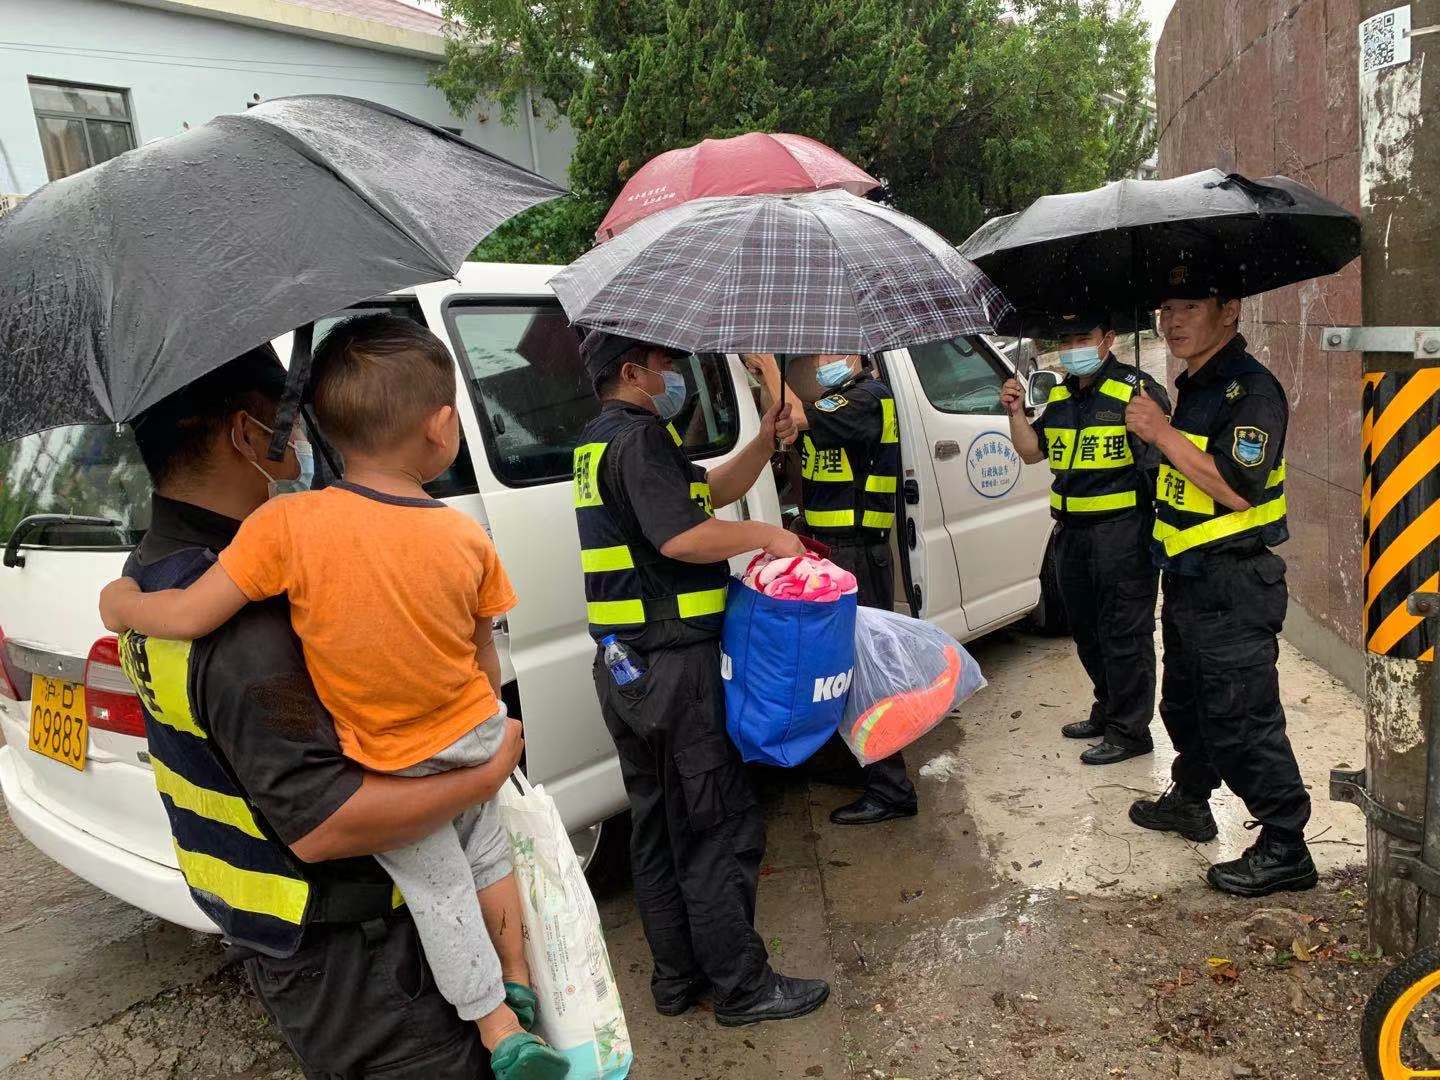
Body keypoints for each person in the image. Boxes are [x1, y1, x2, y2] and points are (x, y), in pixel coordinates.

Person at [102, 316, 566, 1079]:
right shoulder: (251, 624)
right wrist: (485, 773)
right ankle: (502, 1007)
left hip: (276, 930)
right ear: (249, 435)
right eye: (289, 419)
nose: (303, 436)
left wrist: (116, 603)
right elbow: (327, 824)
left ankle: (502, 1003)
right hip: (362, 967)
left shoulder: (154, 569)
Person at [573, 330, 831, 1027]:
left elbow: (708, 492)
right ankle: (743, 989)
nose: (674, 373)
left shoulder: (601, 441)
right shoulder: (639, 441)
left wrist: (764, 441)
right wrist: (768, 536)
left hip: (627, 669)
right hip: (673, 668)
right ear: (632, 372)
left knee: (658, 826)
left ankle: (677, 979)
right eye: (663, 364)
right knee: (716, 826)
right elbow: (681, 537)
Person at [1123, 267, 1315, 898]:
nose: (1171, 321)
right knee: (1185, 704)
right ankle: (1192, 799)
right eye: (1164, 308)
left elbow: (1236, 487)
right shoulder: (1194, 385)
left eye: (1187, 306)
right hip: (1188, 577)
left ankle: (1285, 845)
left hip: (1234, 583)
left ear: (1229, 310)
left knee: (1242, 716)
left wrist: (1161, 433)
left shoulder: (1250, 391)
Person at [743, 352, 919, 824]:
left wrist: (769, 365)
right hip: (832, 552)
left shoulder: (868, 398)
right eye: (819, 352)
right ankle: (859, 764)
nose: (824, 360)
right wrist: (769, 385)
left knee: (867, 670)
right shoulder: (834, 402)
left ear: (857, 353)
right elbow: (789, 424)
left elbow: (799, 417)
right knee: (837, 668)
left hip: (857, 553)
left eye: (832, 351)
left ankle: (892, 789)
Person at [1000, 312, 1170, 765]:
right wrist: (1015, 413)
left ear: (1108, 339)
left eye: (1083, 337)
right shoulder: (1058, 394)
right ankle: (1108, 710)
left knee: (1125, 634)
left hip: (1122, 535)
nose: (1073, 347)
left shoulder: (1137, 389)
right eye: (1066, 339)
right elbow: (1031, 452)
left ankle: (1131, 731)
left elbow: (1160, 462)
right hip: (1070, 534)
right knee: (1087, 631)